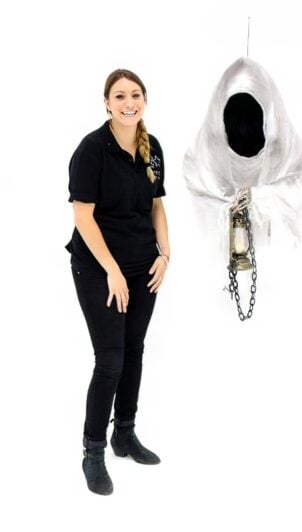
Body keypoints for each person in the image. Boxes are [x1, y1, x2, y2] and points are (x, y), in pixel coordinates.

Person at [65, 68, 170, 496]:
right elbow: (83, 217)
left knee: (134, 352)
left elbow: (157, 205)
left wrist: (165, 254)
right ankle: (92, 452)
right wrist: (111, 269)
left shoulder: (152, 147)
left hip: (144, 266)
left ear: (145, 100)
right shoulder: (91, 150)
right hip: (98, 268)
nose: (130, 102)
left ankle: (123, 433)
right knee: (110, 359)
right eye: (121, 96)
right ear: (107, 103)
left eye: (136, 94)